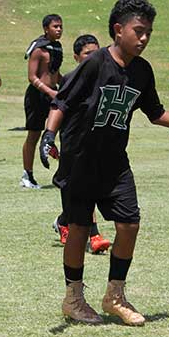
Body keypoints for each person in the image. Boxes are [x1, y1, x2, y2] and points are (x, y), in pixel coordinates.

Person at [39, 0, 169, 325]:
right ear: (119, 30)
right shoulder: (95, 64)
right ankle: (74, 299)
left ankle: (114, 296)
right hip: (79, 159)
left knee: (129, 224)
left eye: (149, 32)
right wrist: (48, 136)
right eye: (139, 30)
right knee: (78, 228)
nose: (145, 38)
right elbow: (61, 101)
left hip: (114, 163)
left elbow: (156, 113)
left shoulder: (142, 71)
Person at [49, 34, 111, 254]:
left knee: (86, 191)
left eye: (96, 52)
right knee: (74, 190)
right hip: (72, 144)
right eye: (87, 54)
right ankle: (88, 233)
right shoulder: (70, 79)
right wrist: (52, 140)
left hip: (95, 143)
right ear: (76, 57)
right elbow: (59, 108)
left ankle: (67, 224)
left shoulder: (106, 77)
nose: (93, 57)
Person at [21, 14, 63, 189]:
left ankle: (63, 172)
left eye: (61, 26)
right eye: (55, 26)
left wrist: (67, 86)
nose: (59, 29)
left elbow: (56, 74)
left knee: (64, 130)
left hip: (53, 94)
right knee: (34, 135)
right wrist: (50, 92)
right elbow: (32, 77)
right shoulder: (39, 49)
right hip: (37, 96)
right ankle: (27, 175)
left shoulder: (57, 48)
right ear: (46, 29)